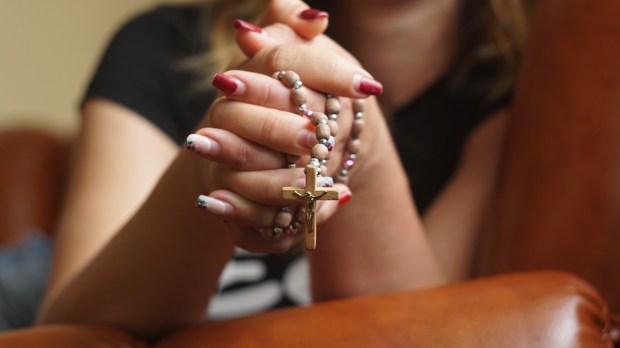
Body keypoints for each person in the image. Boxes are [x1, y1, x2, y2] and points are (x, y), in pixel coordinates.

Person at [35, 0, 534, 340]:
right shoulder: (158, 46)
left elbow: (421, 336)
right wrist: (209, 167)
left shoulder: (528, 102)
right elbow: (72, 332)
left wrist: (362, 150)